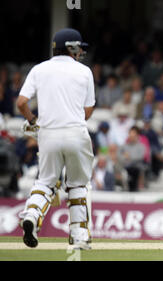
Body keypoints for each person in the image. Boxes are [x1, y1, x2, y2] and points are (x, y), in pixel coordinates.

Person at [16, 28, 95, 250]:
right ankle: (79, 235)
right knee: (78, 183)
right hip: (76, 133)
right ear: (71, 47)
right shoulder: (84, 72)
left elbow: (21, 103)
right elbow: (87, 112)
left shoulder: (39, 69)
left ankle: (32, 214)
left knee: (45, 182)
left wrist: (33, 122)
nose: (80, 52)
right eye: (78, 47)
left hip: (48, 134)